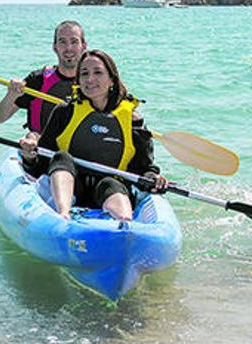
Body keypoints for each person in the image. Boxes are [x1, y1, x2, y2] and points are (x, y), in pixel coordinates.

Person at [18, 50, 168, 222]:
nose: (90, 79)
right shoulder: (65, 111)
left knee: (110, 183)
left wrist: (153, 178)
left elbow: (143, 169)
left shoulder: (132, 119)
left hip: (109, 188)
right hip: (70, 187)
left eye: (98, 72)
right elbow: (42, 163)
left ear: (112, 79)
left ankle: (126, 224)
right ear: (78, 81)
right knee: (61, 157)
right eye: (84, 74)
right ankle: (63, 215)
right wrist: (29, 157)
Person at [0, 20, 85, 134]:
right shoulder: (38, 80)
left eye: (74, 41)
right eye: (62, 42)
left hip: (75, 149)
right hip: (39, 148)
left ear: (83, 46)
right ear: (55, 47)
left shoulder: (91, 83)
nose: (68, 48)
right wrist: (11, 95)